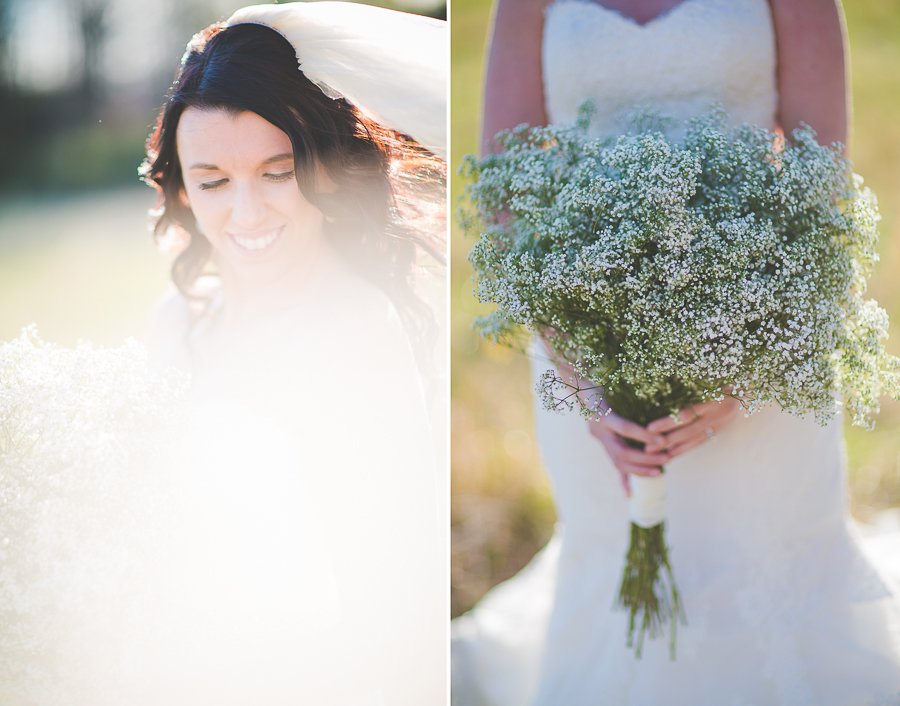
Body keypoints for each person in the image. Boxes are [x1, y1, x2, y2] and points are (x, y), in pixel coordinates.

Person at [452, 1, 900, 704]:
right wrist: (583, 379)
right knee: (615, 560)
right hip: (584, 338)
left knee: (763, 566)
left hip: (766, 331)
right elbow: (505, 197)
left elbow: (823, 187)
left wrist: (749, 368)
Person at [107, 3, 445, 705]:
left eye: (277, 172)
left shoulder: (355, 332)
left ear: (328, 168)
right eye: (214, 181)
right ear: (181, 188)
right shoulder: (177, 320)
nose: (248, 213)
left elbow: (393, 606)